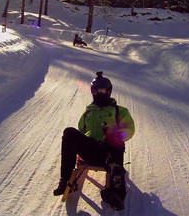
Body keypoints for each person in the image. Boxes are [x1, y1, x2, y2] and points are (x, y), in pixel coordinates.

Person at [53, 71, 135, 199]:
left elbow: (129, 129)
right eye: (95, 91)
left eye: (101, 90)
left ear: (108, 91)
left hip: (110, 152)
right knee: (69, 132)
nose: (99, 94)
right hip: (91, 150)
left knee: (114, 139)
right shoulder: (88, 112)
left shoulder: (119, 111)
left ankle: (116, 191)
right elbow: (81, 129)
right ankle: (65, 181)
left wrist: (116, 136)